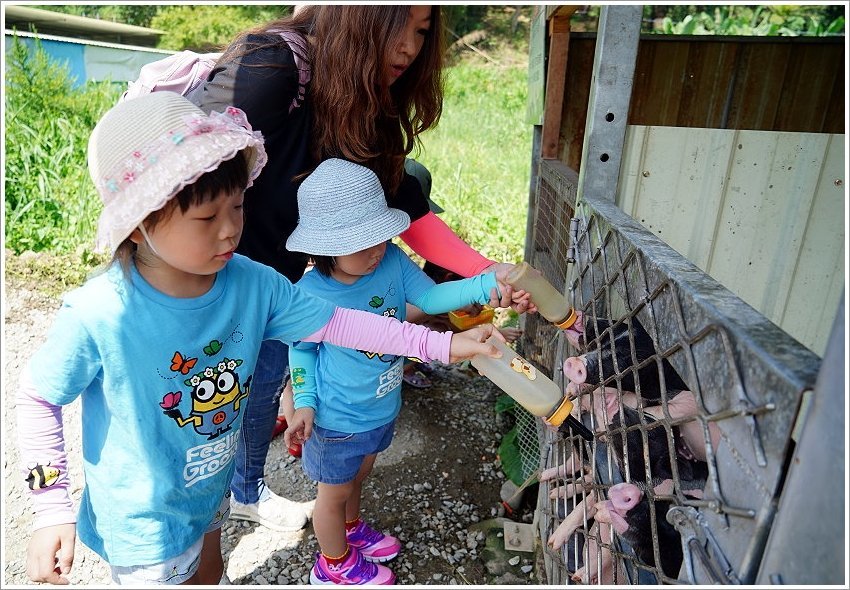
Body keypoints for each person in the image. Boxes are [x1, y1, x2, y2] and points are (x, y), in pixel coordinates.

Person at [15, 92, 505, 586]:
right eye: (207, 218)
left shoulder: (253, 283)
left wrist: (444, 345)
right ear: (138, 226)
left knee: (211, 568)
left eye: (238, 205)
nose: (231, 230)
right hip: (144, 517)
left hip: (212, 488)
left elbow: (341, 324)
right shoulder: (100, 312)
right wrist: (50, 508)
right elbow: (38, 398)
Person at [189, 4, 533, 532]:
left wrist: (493, 274)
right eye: (400, 27)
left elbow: (409, 213)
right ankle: (199, 519)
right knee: (203, 414)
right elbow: (183, 167)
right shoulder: (273, 68)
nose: (410, 48)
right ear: (358, 17)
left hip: (278, 284)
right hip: (210, 285)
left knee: (259, 391)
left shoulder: (370, 102)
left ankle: (246, 489)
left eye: (422, 33)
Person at [281, 158, 522, 585]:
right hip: (336, 419)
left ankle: (351, 530)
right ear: (325, 246)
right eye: (362, 243)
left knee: (360, 475)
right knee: (331, 495)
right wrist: (304, 403)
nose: (377, 248)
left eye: (380, 235)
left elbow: (429, 299)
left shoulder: (389, 260)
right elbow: (301, 355)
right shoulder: (310, 295)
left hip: (381, 405)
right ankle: (331, 564)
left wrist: (486, 285)